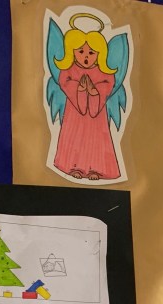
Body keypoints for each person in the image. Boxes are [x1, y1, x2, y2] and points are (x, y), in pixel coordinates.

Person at [52, 14, 120, 181]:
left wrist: (94, 91)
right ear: (72, 51)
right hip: (74, 113)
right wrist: (79, 88)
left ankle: (96, 169)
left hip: (96, 118)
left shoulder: (103, 71)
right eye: (81, 51)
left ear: (99, 53)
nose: (86, 56)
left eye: (91, 52)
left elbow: (107, 84)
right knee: (74, 136)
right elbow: (65, 81)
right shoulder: (69, 69)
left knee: (95, 139)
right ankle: (73, 167)